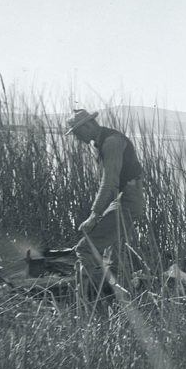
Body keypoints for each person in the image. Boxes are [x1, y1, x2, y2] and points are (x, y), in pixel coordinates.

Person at [64, 108, 145, 300]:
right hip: (125, 199)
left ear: (89, 125)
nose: (77, 137)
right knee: (115, 255)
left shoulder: (112, 142)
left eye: (78, 132)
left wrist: (94, 216)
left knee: (85, 248)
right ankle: (123, 301)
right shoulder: (102, 142)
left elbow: (109, 182)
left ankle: (85, 301)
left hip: (126, 200)